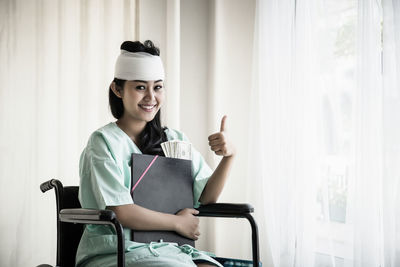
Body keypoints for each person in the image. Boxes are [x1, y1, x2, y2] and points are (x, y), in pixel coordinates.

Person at [76, 40, 235, 267]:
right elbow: (121, 211)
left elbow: (206, 197)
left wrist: (229, 157)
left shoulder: (174, 139)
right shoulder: (103, 142)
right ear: (118, 89)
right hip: (116, 251)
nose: (151, 97)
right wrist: (176, 223)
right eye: (140, 87)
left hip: (171, 249)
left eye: (157, 87)